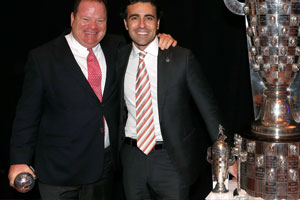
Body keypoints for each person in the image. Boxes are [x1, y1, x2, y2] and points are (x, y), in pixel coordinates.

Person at [8, 0, 176, 199]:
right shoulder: (43, 58)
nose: (93, 27)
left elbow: (144, 43)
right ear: (72, 18)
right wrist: (19, 160)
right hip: (58, 172)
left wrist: (161, 39)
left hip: (103, 170)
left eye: (100, 20)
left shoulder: (118, 49)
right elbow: (27, 115)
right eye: (86, 19)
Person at [117, 0, 224, 199]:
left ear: (158, 24)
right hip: (132, 160)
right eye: (134, 18)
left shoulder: (181, 58)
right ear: (125, 24)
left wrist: (226, 154)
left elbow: (208, 109)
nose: (141, 24)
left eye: (148, 18)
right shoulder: (118, 56)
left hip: (172, 160)